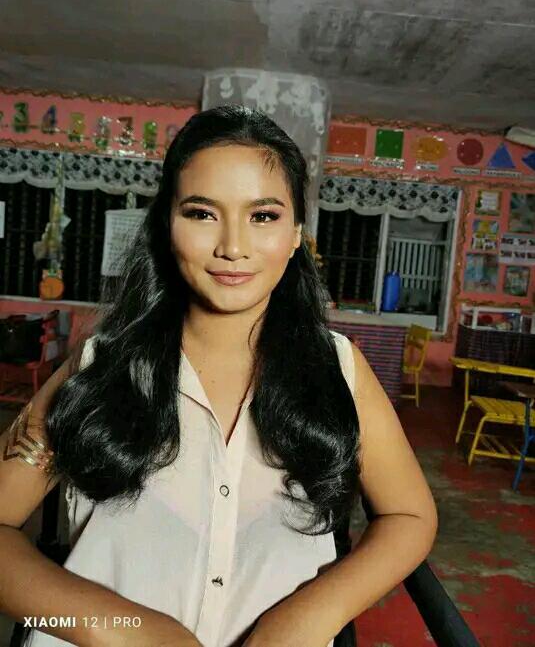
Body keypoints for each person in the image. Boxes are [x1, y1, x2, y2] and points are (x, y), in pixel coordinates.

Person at [0, 105, 437, 647]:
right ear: (167, 225)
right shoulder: (99, 367)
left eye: (263, 216)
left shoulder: (339, 369)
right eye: (202, 213)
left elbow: (410, 515)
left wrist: (309, 616)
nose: (232, 247)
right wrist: (128, 630)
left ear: (297, 233)